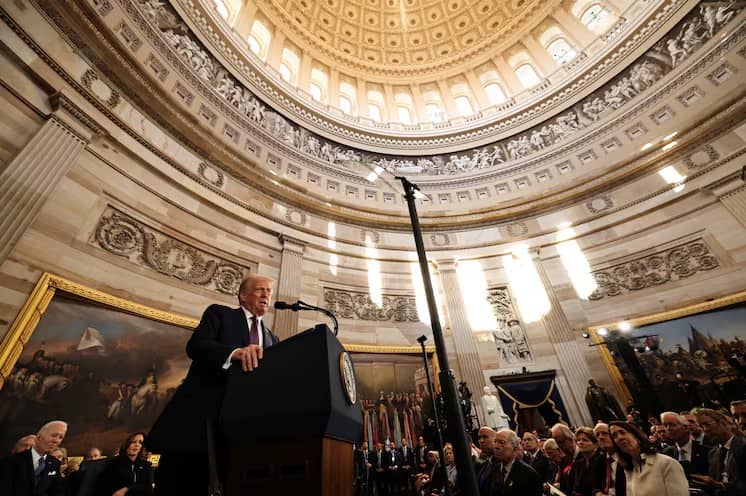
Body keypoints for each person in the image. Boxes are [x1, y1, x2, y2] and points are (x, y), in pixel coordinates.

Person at [147, 274, 280, 495]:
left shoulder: (272, 339)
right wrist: (234, 353)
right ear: (242, 295)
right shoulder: (220, 314)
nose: (266, 294)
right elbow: (197, 346)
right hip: (199, 424)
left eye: (269, 291)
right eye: (260, 290)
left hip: (240, 432)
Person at [608, 421, 688, 496]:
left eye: (622, 432)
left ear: (636, 436)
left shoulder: (666, 463)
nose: (619, 437)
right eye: (614, 436)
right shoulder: (629, 468)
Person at [0, 420, 68, 496]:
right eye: (53, 435)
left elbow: (57, 491)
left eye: (61, 437)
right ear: (38, 437)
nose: (56, 440)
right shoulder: (11, 461)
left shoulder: (55, 463)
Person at [692, 407, 746, 496]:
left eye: (707, 424)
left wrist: (719, 485)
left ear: (722, 423)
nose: (705, 430)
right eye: (701, 426)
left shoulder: (743, 447)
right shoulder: (713, 453)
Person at [491, 428, 543, 495]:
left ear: (515, 449)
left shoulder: (529, 475)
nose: (496, 446)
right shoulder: (493, 470)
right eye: (495, 441)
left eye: (502, 442)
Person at [659, 411, 709, 478]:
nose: (668, 428)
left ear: (686, 428)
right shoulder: (666, 454)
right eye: (665, 425)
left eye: (672, 425)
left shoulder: (706, 451)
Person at [569, 427, 606, 496]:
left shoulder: (601, 460)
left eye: (585, 440)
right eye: (578, 440)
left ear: (596, 445)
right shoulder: (579, 463)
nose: (580, 442)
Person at [593, 422, 626, 496]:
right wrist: (598, 494)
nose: (600, 437)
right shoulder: (599, 460)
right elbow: (595, 486)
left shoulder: (626, 456)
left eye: (604, 433)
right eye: (597, 435)